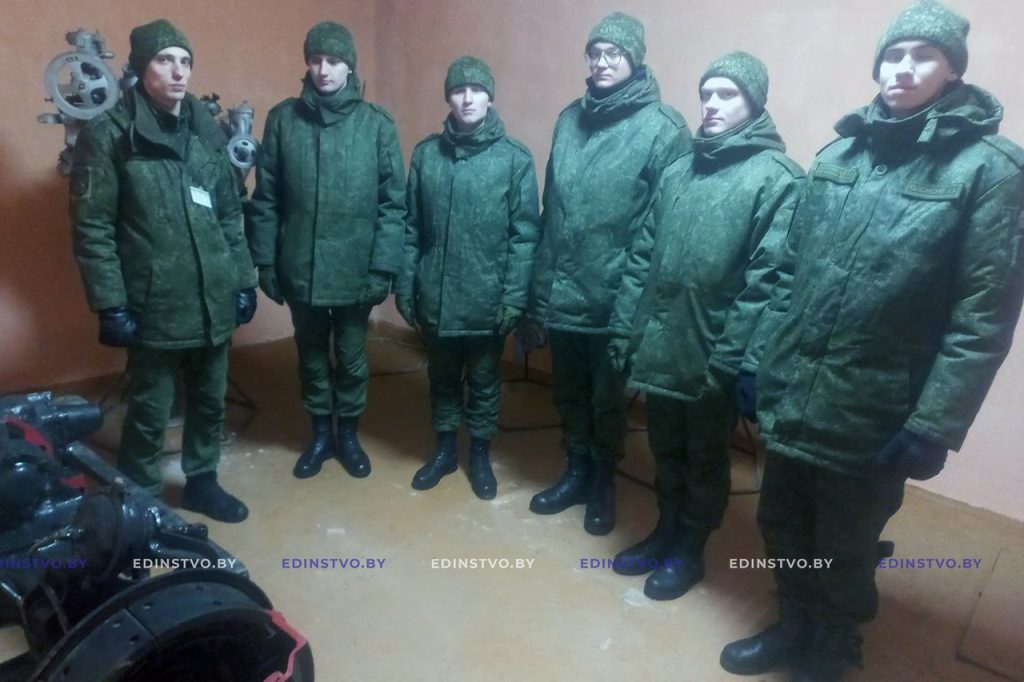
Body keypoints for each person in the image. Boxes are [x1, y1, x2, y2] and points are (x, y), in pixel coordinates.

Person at [719, 2, 1024, 679]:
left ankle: (832, 645)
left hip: (878, 406)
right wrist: (756, 359)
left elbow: (983, 316)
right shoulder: (837, 156)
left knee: (846, 541)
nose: (903, 69)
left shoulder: (989, 172)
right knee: (782, 520)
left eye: (923, 56)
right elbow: (788, 271)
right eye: (893, 54)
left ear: (953, 70)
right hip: (797, 388)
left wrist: (935, 423)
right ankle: (793, 623)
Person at [606, 52, 803, 600]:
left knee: (704, 458)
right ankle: (666, 528)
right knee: (666, 447)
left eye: (727, 94)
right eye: (706, 94)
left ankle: (690, 547)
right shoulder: (678, 172)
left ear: (754, 102)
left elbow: (769, 282)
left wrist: (738, 360)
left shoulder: (778, 179)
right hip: (661, 344)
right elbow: (642, 259)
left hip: (714, 352)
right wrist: (625, 329)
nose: (712, 105)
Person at [71, 19, 257, 523]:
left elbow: (228, 213)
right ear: (140, 67)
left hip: (212, 293)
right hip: (154, 299)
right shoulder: (111, 135)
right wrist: (110, 302)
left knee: (210, 398)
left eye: (185, 61)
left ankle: (202, 482)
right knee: (151, 407)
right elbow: (92, 228)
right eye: (165, 60)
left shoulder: (205, 132)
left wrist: (243, 281)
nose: (178, 72)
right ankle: (141, 500)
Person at [526, 12, 691, 535]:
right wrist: (539, 288)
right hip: (562, 289)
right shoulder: (568, 120)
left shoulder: (664, 128)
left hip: (615, 295)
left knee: (606, 400)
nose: (602, 62)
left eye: (613, 54)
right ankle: (576, 470)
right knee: (568, 391)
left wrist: (635, 303)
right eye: (595, 53)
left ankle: (602, 480)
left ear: (635, 59)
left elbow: (665, 227)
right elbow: (552, 207)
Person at [249, 21, 406, 480]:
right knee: (311, 354)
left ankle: (349, 435)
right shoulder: (283, 120)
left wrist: (382, 268)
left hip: (357, 269)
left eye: (333, 61)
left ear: (349, 67)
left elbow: (393, 205)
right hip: (301, 265)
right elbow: (267, 198)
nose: (323, 69)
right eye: (316, 60)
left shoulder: (376, 125)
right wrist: (265, 261)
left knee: (353, 357)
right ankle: (320, 434)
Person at [395, 57, 540, 499]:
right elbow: (411, 229)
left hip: (486, 299)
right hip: (436, 296)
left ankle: (479, 454)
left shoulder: (514, 159)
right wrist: (406, 285)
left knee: (483, 382)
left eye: (477, 90)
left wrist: (513, 298)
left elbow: (524, 237)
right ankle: (443, 451)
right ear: (449, 98)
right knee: (441, 378)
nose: (468, 98)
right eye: (459, 90)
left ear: (490, 97)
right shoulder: (426, 156)